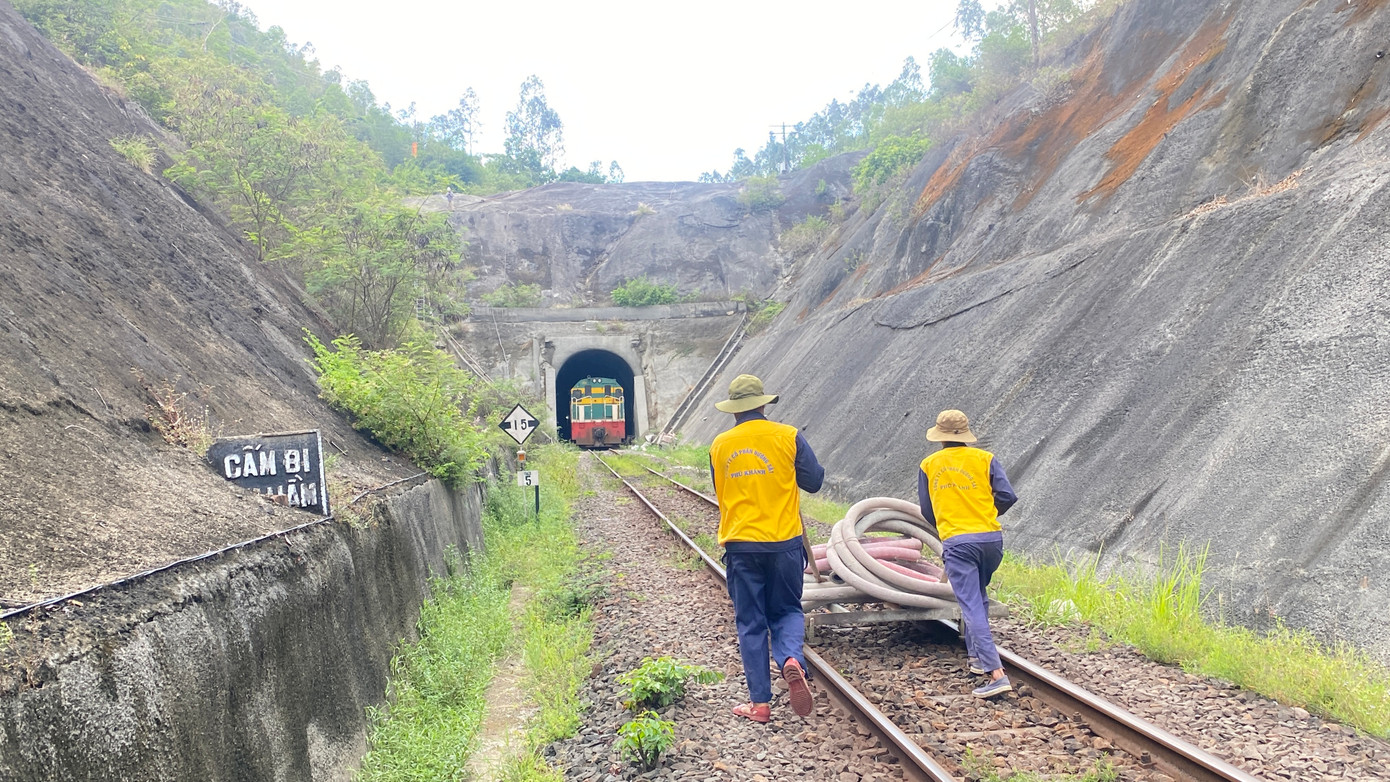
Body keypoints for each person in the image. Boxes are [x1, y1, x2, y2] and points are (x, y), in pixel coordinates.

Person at [710, 374, 824, 722]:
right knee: (787, 610)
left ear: (733, 410)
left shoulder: (720, 445)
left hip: (742, 545)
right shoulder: (788, 436)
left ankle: (760, 704)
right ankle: (791, 659)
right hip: (785, 543)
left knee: (751, 622)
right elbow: (815, 481)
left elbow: (720, 489)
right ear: (762, 404)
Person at [917, 409, 1018, 699]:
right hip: (990, 540)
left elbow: (927, 510)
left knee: (971, 605)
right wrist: (984, 514)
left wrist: (951, 527)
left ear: (940, 437)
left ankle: (995, 673)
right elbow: (1007, 496)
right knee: (980, 597)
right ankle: (976, 658)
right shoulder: (985, 459)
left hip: (959, 542)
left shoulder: (929, 464)